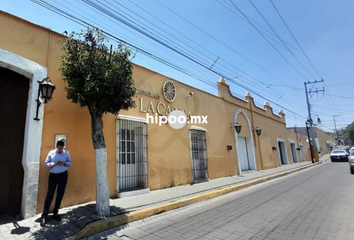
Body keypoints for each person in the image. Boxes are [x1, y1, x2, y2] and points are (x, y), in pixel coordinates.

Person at [40, 139, 72, 227]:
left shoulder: (66, 153)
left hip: (63, 175)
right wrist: (55, 163)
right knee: (50, 194)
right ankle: (44, 215)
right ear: (56, 147)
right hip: (53, 176)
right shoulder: (51, 153)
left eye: (62, 148)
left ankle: (55, 212)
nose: (60, 150)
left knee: (60, 194)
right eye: (59, 148)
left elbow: (70, 163)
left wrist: (65, 163)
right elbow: (46, 164)